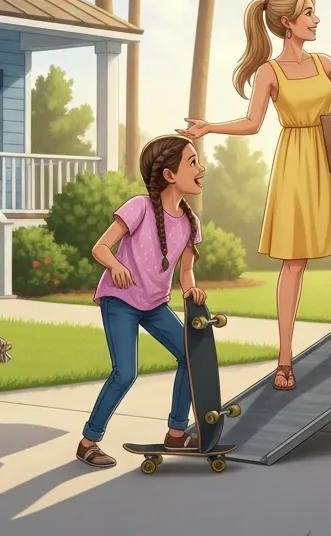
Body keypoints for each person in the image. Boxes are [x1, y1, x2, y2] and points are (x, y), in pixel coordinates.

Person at [180, 0, 331, 392]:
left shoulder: (325, 63)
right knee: (294, 261)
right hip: (295, 165)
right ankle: (284, 359)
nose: (317, 19)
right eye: (309, 13)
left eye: (315, 12)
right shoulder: (269, 71)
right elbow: (252, 123)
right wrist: (210, 127)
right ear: (287, 22)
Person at [75, 136, 206, 468]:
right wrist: (116, 266)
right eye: (192, 162)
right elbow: (100, 248)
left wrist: (191, 290)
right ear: (169, 175)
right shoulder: (139, 207)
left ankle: (176, 433)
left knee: (189, 356)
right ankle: (89, 442)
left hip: (155, 304)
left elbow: (186, 271)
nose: (201, 168)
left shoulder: (191, 223)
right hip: (121, 301)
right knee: (125, 373)